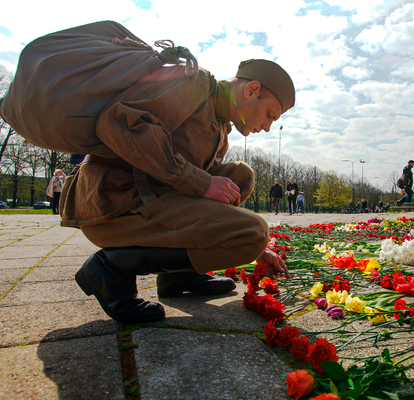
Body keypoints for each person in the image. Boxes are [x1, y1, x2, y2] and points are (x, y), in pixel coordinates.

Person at [62, 59, 294, 324]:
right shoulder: (192, 84)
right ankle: (112, 267)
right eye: (270, 115)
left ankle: (179, 275)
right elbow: (116, 123)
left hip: (149, 194)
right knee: (254, 232)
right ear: (252, 90)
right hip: (117, 202)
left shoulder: (219, 122)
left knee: (240, 176)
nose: (267, 127)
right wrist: (203, 184)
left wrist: (253, 248)